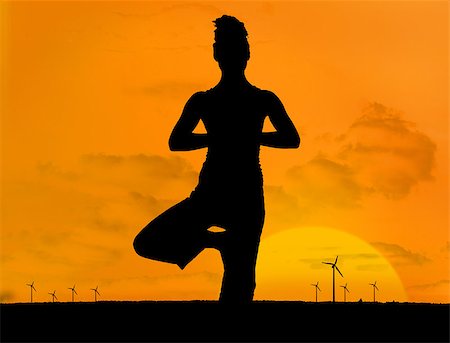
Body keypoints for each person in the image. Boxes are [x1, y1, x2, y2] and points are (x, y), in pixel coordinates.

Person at [133, 15, 300, 303]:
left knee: (240, 284)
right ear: (217, 54)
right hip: (208, 195)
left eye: (235, 48)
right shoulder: (202, 100)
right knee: (147, 241)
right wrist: (218, 138)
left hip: (246, 196)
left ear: (245, 54)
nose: (232, 55)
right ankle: (217, 242)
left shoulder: (264, 99)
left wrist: (250, 137)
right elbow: (176, 141)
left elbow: (291, 139)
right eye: (226, 48)